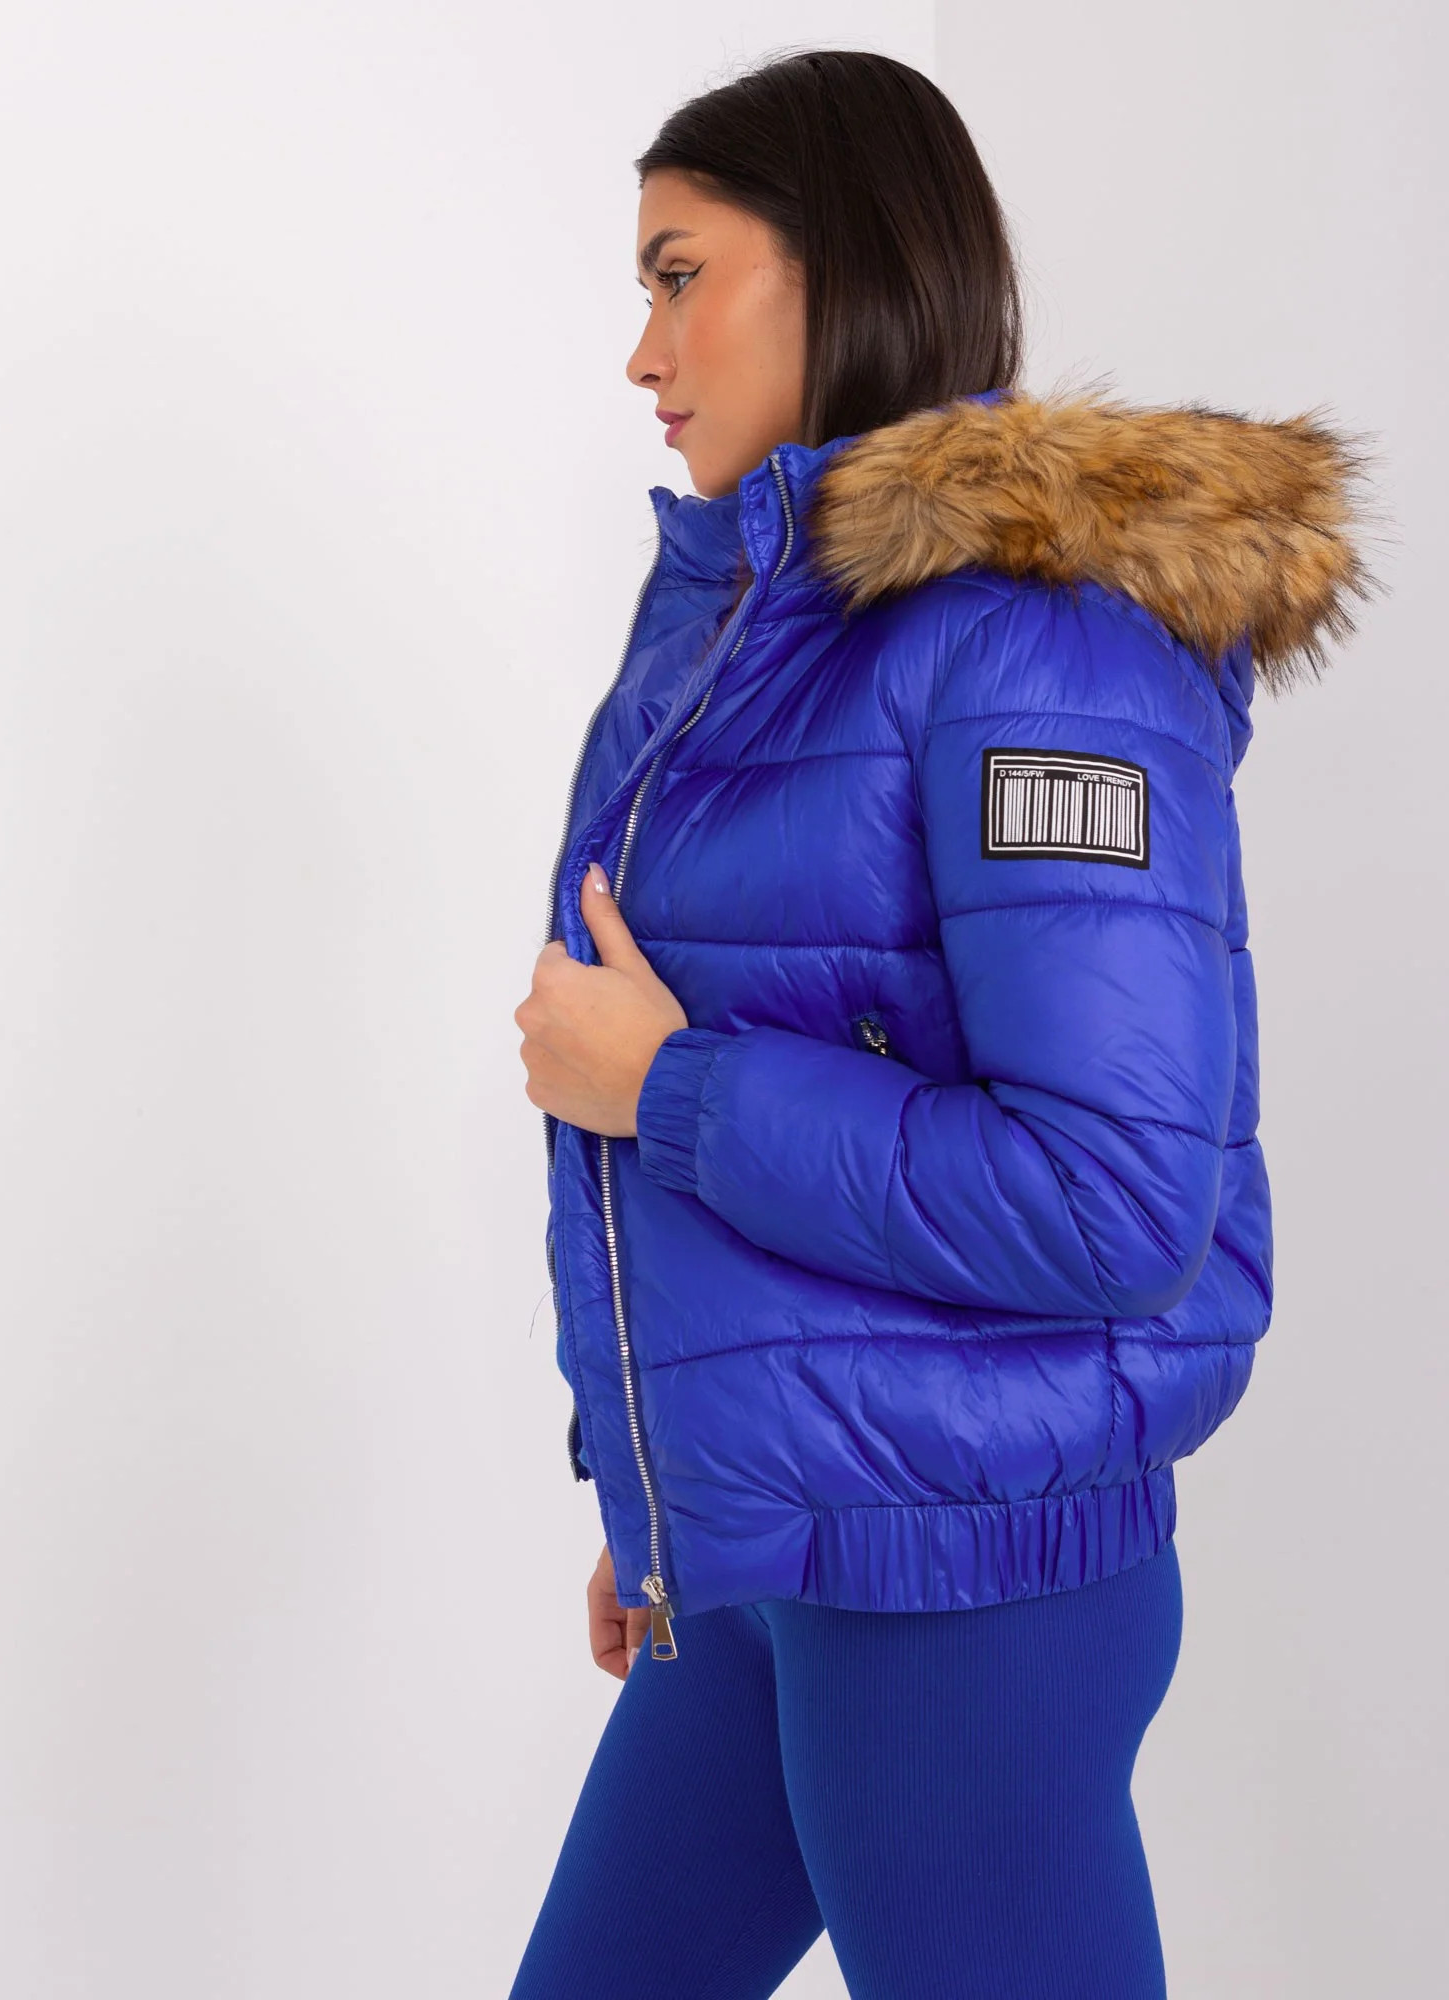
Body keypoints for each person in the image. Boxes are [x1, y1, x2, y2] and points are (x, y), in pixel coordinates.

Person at [510, 47, 1373, 2000]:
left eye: (678, 276)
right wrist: (675, 1466)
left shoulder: (1039, 647)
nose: (643, 352)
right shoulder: (765, 628)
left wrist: (668, 1087)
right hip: (782, 1540)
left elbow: (1109, 1198)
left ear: (838, 266)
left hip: (970, 1588)